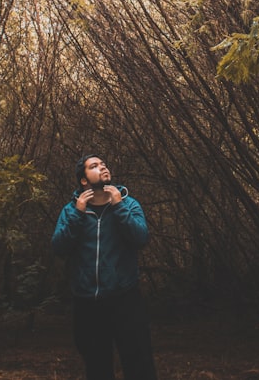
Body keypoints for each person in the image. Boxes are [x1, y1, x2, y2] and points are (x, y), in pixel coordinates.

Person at [51, 154, 158, 380]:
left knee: (139, 363)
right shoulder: (71, 211)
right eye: (94, 166)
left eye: (103, 164)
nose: (103, 167)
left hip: (125, 298)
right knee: (97, 366)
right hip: (87, 301)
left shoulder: (129, 203)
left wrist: (118, 206)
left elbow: (140, 239)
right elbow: (59, 247)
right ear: (83, 180)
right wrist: (79, 214)